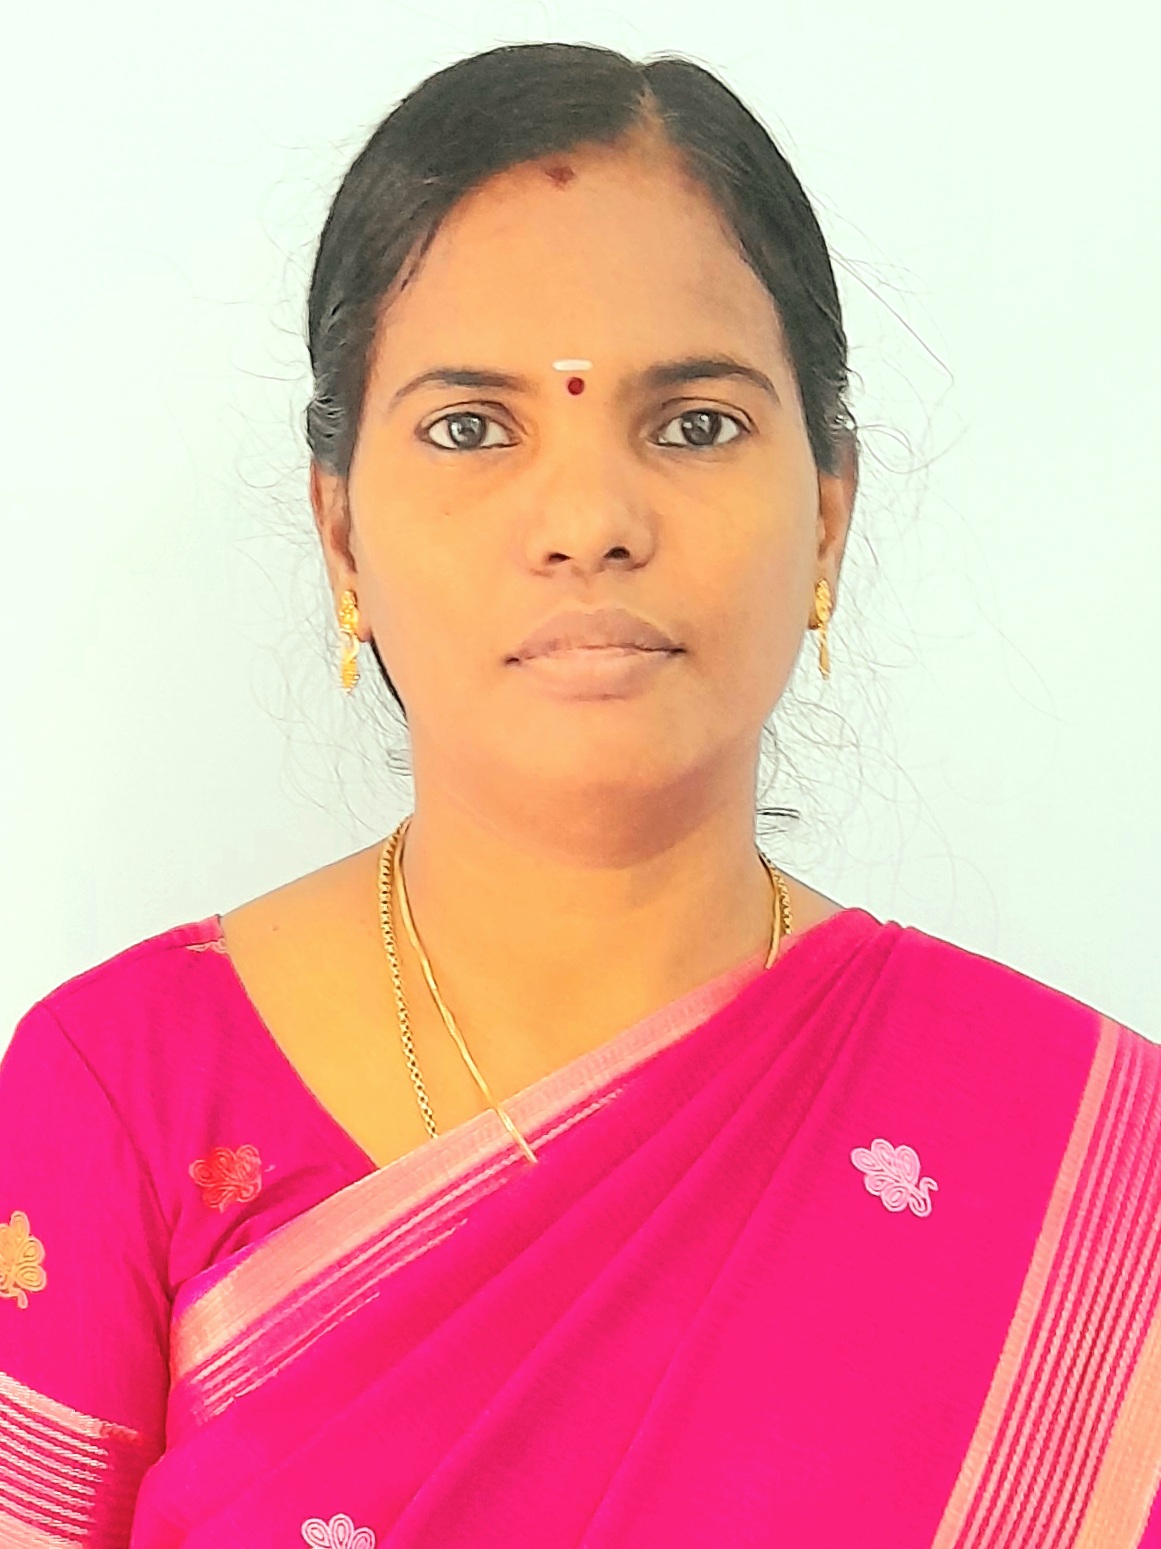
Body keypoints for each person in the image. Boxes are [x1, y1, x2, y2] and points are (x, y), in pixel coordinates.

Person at [2, 39, 1158, 1549]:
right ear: (341, 535)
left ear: (826, 514)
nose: (590, 520)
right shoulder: (123, 1094)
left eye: (694, 424)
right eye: (472, 428)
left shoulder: (1094, 1173)